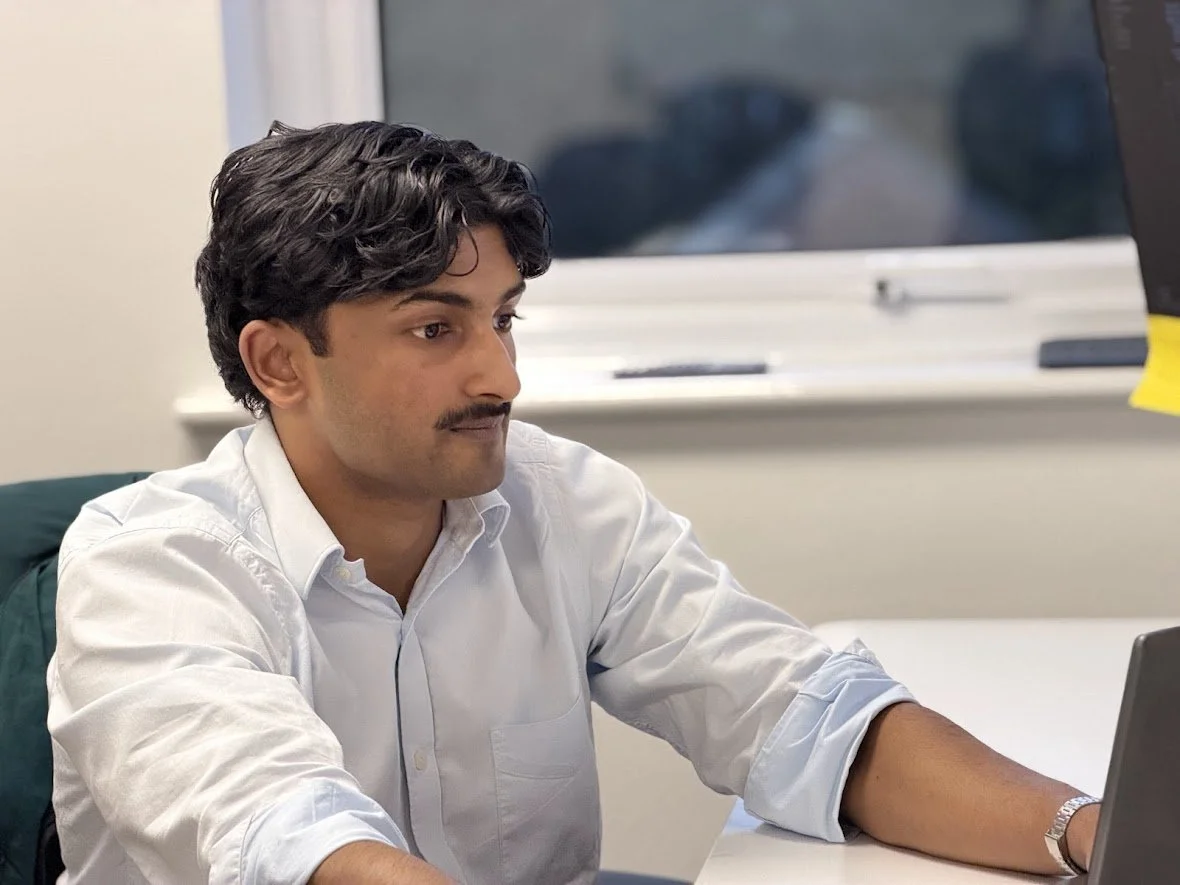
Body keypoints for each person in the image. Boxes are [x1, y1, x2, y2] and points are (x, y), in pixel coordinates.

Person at [47, 121, 1100, 885]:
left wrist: (1088, 830)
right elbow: (285, 833)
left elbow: (790, 712)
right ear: (279, 361)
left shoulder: (561, 499)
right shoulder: (151, 563)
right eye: (435, 330)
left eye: (503, 320)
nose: (499, 376)